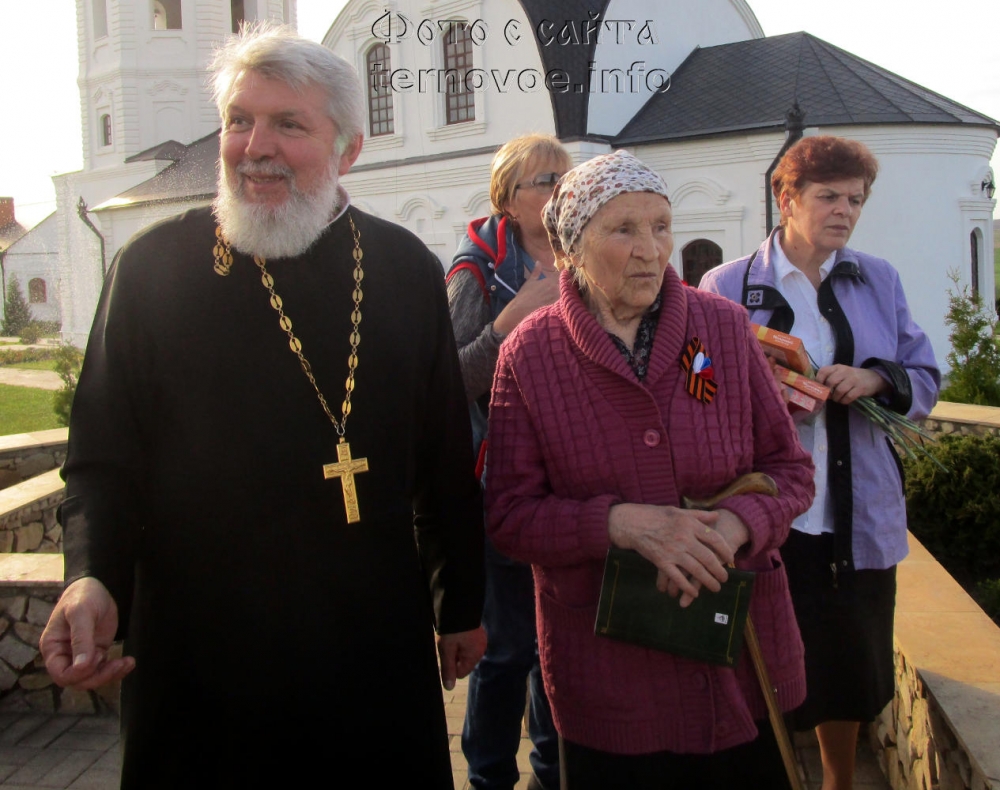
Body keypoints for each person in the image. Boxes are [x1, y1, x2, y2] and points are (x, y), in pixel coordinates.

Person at [39, 24, 485, 788]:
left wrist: (461, 601)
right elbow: (102, 461)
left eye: (288, 125)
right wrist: (91, 576)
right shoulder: (150, 269)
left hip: (367, 644)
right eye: (238, 120)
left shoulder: (404, 268)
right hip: (202, 653)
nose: (255, 147)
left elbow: (443, 456)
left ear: (348, 149)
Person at [485, 149, 816, 789]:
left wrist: (735, 527)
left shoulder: (723, 328)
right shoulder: (529, 354)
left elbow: (792, 471)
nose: (651, 250)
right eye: (624, 230)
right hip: (610, 677)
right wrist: (621, 525)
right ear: (572, 249)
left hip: (739, 656)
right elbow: (510, 516)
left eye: (661, 226)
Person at [700, 135, 940, 790]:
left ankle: (838, 781)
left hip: (857, 516)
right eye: (829, 197)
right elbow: (694, 387)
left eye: (855, 200)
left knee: (848, 667)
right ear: (787, 198)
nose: (844, 211)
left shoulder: (878, 278)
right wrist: (763, 395)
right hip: (767, 517)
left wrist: (876, 379)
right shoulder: (726, 286)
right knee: (761, 665)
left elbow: (925, 375)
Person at [447, 133, 570, 790]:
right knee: (508, 648)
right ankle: (490, 777)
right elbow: (449, 381)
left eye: (565, 179)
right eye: (545, 182)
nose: (559, 192)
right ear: (509, 200)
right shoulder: (476, 273)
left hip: (575, 483)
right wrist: (512, 318)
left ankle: (552, 773)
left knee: (562, 647)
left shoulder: (584, 255)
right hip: (504, 484)